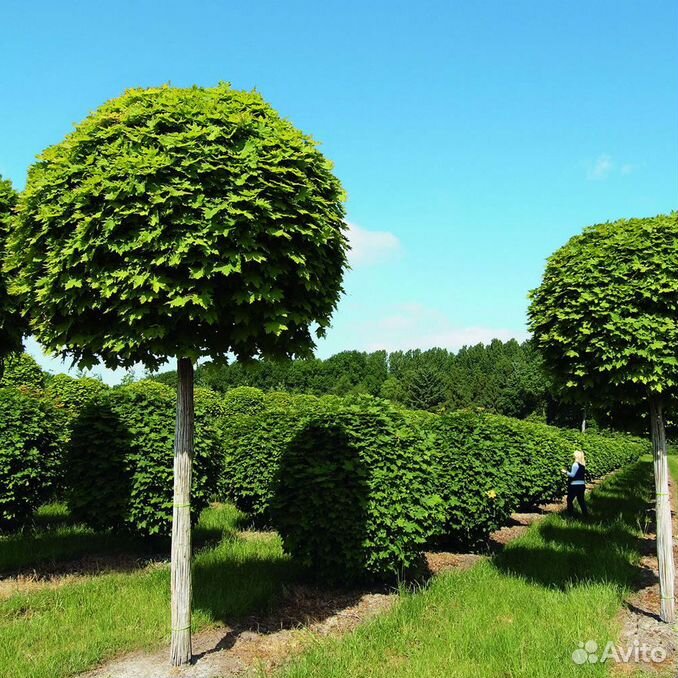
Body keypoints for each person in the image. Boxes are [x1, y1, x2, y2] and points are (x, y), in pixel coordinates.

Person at [562, 450, 588, 517]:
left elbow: (573, 475)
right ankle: (586, 515)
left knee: (569, 500)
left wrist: (565, 472)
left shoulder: (575, 464)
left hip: (575, 485)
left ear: (575, 456)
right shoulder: (583, 465)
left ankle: (570, 515)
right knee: (581, 501)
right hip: (582, 485)